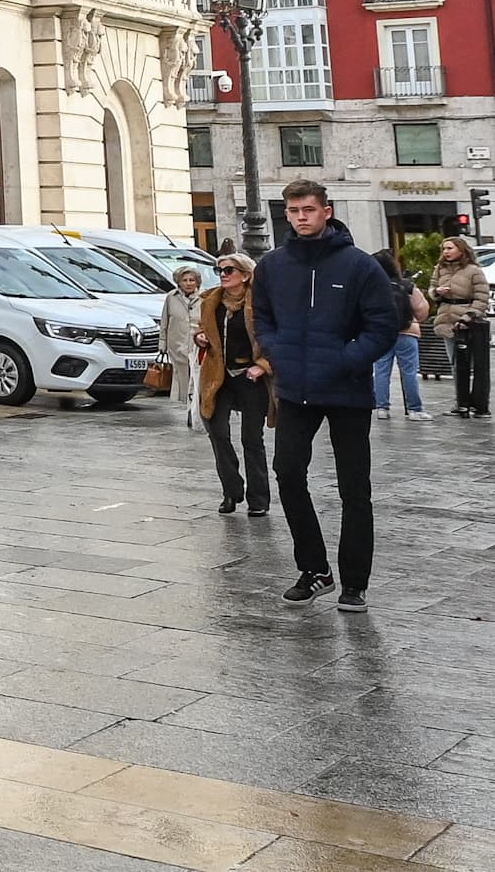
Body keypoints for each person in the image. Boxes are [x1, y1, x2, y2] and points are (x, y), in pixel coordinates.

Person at [251, 179, 403, 612]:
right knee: (287, 474)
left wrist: (345, 360)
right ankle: (314, 570)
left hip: (347, 390)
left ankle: (355, 583)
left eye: (309, 210)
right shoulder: (273, 265)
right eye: (294, 210)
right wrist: (276, 351)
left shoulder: (359, 266)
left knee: (354, 488)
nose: (301, 217)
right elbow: (262, 316)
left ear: (327, 211)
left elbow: (382, 325)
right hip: (296, 391)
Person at [196, 252, 273, 516]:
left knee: (251, 438)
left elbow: (275, 337)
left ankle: (258, 498)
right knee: (217, 432)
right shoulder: (212, 302)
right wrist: (200, 337)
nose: (224, 275)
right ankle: (231, 491)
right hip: (219, 376)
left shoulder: (260, 303)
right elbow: (201, 327)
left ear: (246, 274)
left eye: (229, 270)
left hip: (250, 377)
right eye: (220, 271)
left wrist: (262, 366)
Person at [432, 237, 489, 418]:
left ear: (461, 249)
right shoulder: (440, 268)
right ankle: (461, 401)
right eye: (444, 249)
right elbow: (431, 289)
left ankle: (477, 403)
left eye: (449, 248)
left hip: (468, 322)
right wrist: (436, 292)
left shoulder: (474, 271)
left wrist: (467, 317)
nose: (446, 252)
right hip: (446, 318)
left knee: (473, 364)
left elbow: (481, 299)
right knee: (456, 364)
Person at [375, 250, 431, 420]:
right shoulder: (406, 285)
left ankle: (382, 408)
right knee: (409, 372)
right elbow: (422, 309)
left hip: (382, 333)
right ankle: (414, 409)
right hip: (408, 332)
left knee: (381, 371)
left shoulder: (373, 285)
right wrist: (413, 320)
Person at [161, 265, 204, 430]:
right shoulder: (171, 298)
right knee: (184, 382)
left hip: (198, 346)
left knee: (197, 380)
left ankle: (196, 411)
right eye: (184, 280)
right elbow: (165, 321)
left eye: (191, 280)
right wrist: (162, 344)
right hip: (177, 345)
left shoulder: (205, 297)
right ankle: (189, 410)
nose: (188, 283)